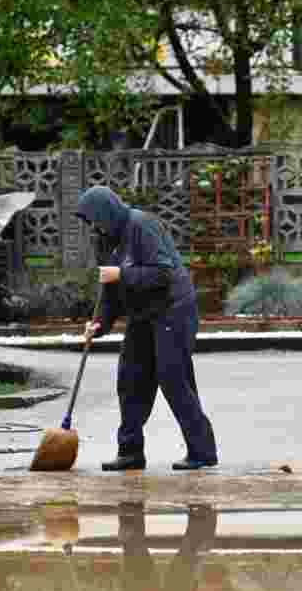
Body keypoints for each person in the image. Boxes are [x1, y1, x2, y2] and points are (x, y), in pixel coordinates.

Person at [76, 185, 219, 471]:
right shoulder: (104, 240)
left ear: (108, 211)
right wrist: (99, 324)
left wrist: (122, 273)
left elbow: (163, 272)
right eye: (89, 222)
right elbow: (111, 291)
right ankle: (130, 452)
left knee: (172, 378)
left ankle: (202, 452)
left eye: (95, 219)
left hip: (173, 309)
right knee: (130, 378)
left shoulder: (143, 225)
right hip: (141, 313)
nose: (93, 226)